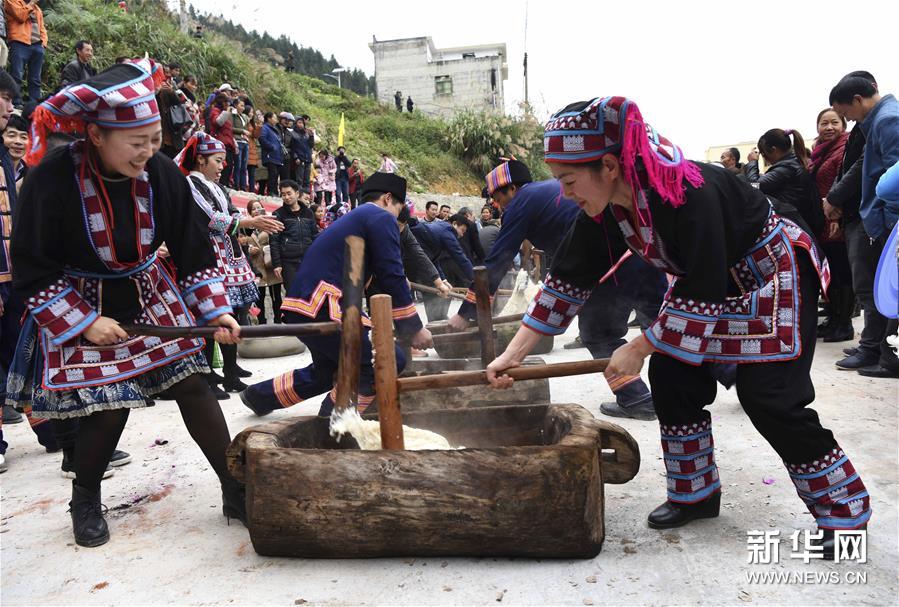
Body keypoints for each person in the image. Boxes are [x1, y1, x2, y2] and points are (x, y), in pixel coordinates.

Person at [486, 96, 870, 557]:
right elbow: (569, 278)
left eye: (569, 181)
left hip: (771, 277)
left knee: (770, 397)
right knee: (672, 376)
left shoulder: (688, 190)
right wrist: (513, 354)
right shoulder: (608, 207)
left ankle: (844, 513)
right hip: (709, 284)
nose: (565, 194)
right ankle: (696, 493)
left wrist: (640, 344)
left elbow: (703, 289)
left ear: (609, 165)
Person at [10, 59, 249, 547]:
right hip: (81, 297)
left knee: (195, 384)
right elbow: (31, 264)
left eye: (156, 140)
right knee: (109, 404)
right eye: (136, 142)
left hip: (149, 291)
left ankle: (234, 488)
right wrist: (85, 324)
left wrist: (214, 310)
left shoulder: (161, 172)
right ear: (96, 135)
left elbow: (191, 243)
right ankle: (85, 498)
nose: (149, 152)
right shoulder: (52, 177)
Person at [448, 159, 665, 420]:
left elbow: (498, 260)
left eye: (497, 197)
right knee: (665, 323)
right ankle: (721, 371)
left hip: (604, 268)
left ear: (513, 189)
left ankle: (637, 399)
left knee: (599, 335)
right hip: (642, 255)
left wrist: (466, 310)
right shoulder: (551, 191)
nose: (497, 205)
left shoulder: (521, 202)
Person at [239, 172, 433, 417]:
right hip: (324, 304)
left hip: (304, 305)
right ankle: (333, 424)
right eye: (398, 208)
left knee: (327, 371)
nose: (397, 219)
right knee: (385, 360)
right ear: (387, 198)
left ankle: (259, 396)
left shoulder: (357, 218)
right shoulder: (380, 216)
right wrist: (414, 327)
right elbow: (392, 273)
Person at [175, 131, 283, 393]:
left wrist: (243, 220)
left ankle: (231, 370)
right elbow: (209, 218)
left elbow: (231, 213)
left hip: (229, 255)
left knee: (232, 311)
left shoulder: (217, 186)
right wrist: (248, 222)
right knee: (211, 315)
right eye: (218, 160)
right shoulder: (191, 184)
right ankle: (210, 375)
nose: (223, 166)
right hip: (208, 257)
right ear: (201, 160)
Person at [829, 71, 899, 378]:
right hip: (879, 218)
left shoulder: (887, 121)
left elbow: (895, 182)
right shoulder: (880, 119)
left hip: (887, 222)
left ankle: (885, 355)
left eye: (846, 113)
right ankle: (879, 351)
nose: (849, 119)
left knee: (883, 291)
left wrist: (893, 230)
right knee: (876, 289)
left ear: (858, 100)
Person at [809, 108, 854, 343]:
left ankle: (844, 324)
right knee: (831, 272)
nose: (828, 128)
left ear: (843, 125)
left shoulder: (846, 146)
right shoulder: (820, 151)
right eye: (823, 123)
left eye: (834, 122)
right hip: (822, 220)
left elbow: (845, 179)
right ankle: (834, 319)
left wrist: (837, 215)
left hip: (836, 217)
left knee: (841, 271)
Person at [747, 129, 824, 236]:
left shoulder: (786, 167)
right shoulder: (795, 161)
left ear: (774, 150)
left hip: (793, 226)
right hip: (803, 222)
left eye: (764, 154)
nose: (765, 158)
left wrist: (752, 163)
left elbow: (754, 186)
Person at [407, 209, 473, 322]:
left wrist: (443, 278)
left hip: (418, 258)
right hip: (410, 258)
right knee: (433, 287)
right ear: (454, 224)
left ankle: (438, 319)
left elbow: (433, 259)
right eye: (462, 230)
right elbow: (461, 258)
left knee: (439, 286)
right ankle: (436, 321)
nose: (461, 235)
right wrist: (477, 279)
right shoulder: (447, 231)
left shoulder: (440, 227)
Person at [270, 180, 317, 290]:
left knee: (310, 292)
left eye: (289, 193)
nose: (286, 197)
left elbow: (314, 236)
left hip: (308, 260)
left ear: (297, 193)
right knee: (293, 294)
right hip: (288, 262)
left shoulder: (308, 213)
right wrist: (277, 264)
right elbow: (274, 241)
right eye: (283, 194)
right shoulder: (278, 214)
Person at [244, 200, 283, 324]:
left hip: (271, 263)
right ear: (250, 212)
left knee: (276, 295)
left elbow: (277, 240)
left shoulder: (270, 223)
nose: (256, 211)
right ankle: (261, 322)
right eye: (253, 209)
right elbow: (242, 243)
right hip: (257, 266)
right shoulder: (246, 227)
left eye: (258, 207)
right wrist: (250, 249)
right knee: (259, 296)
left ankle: (278, 320)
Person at [4, 0, 46, 106]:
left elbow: (42, 28)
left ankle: (35, 104)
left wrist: (43, 43)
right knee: (17, 75)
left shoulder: (37, 9)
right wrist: (31, 4)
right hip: (19, 42)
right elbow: (20, 16)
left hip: (37, 45)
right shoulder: (12, 2)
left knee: (35, 78)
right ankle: (15, 102)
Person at [207, 93, 236, 186]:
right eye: (226, 103)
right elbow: (218, 122)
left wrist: (234, 145)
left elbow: (229, 132)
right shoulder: (215, 111)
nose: (228, 105)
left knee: (228, 169)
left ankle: (224, 187)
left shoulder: (226, 114)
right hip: (220, 144)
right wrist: (227, 112)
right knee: (222, 168)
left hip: (228, 145)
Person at [231, 97, 250, 191]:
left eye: (243, 106)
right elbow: (230, 128)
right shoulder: (232, 115)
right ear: (235, 105)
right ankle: (236, 185)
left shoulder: (244, 117)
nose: (243, 107)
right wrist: (242, 131)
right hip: (237, 141)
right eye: (241, 105)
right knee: (237, 165)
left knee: (244, 165)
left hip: (245, 141)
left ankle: (243, 186)